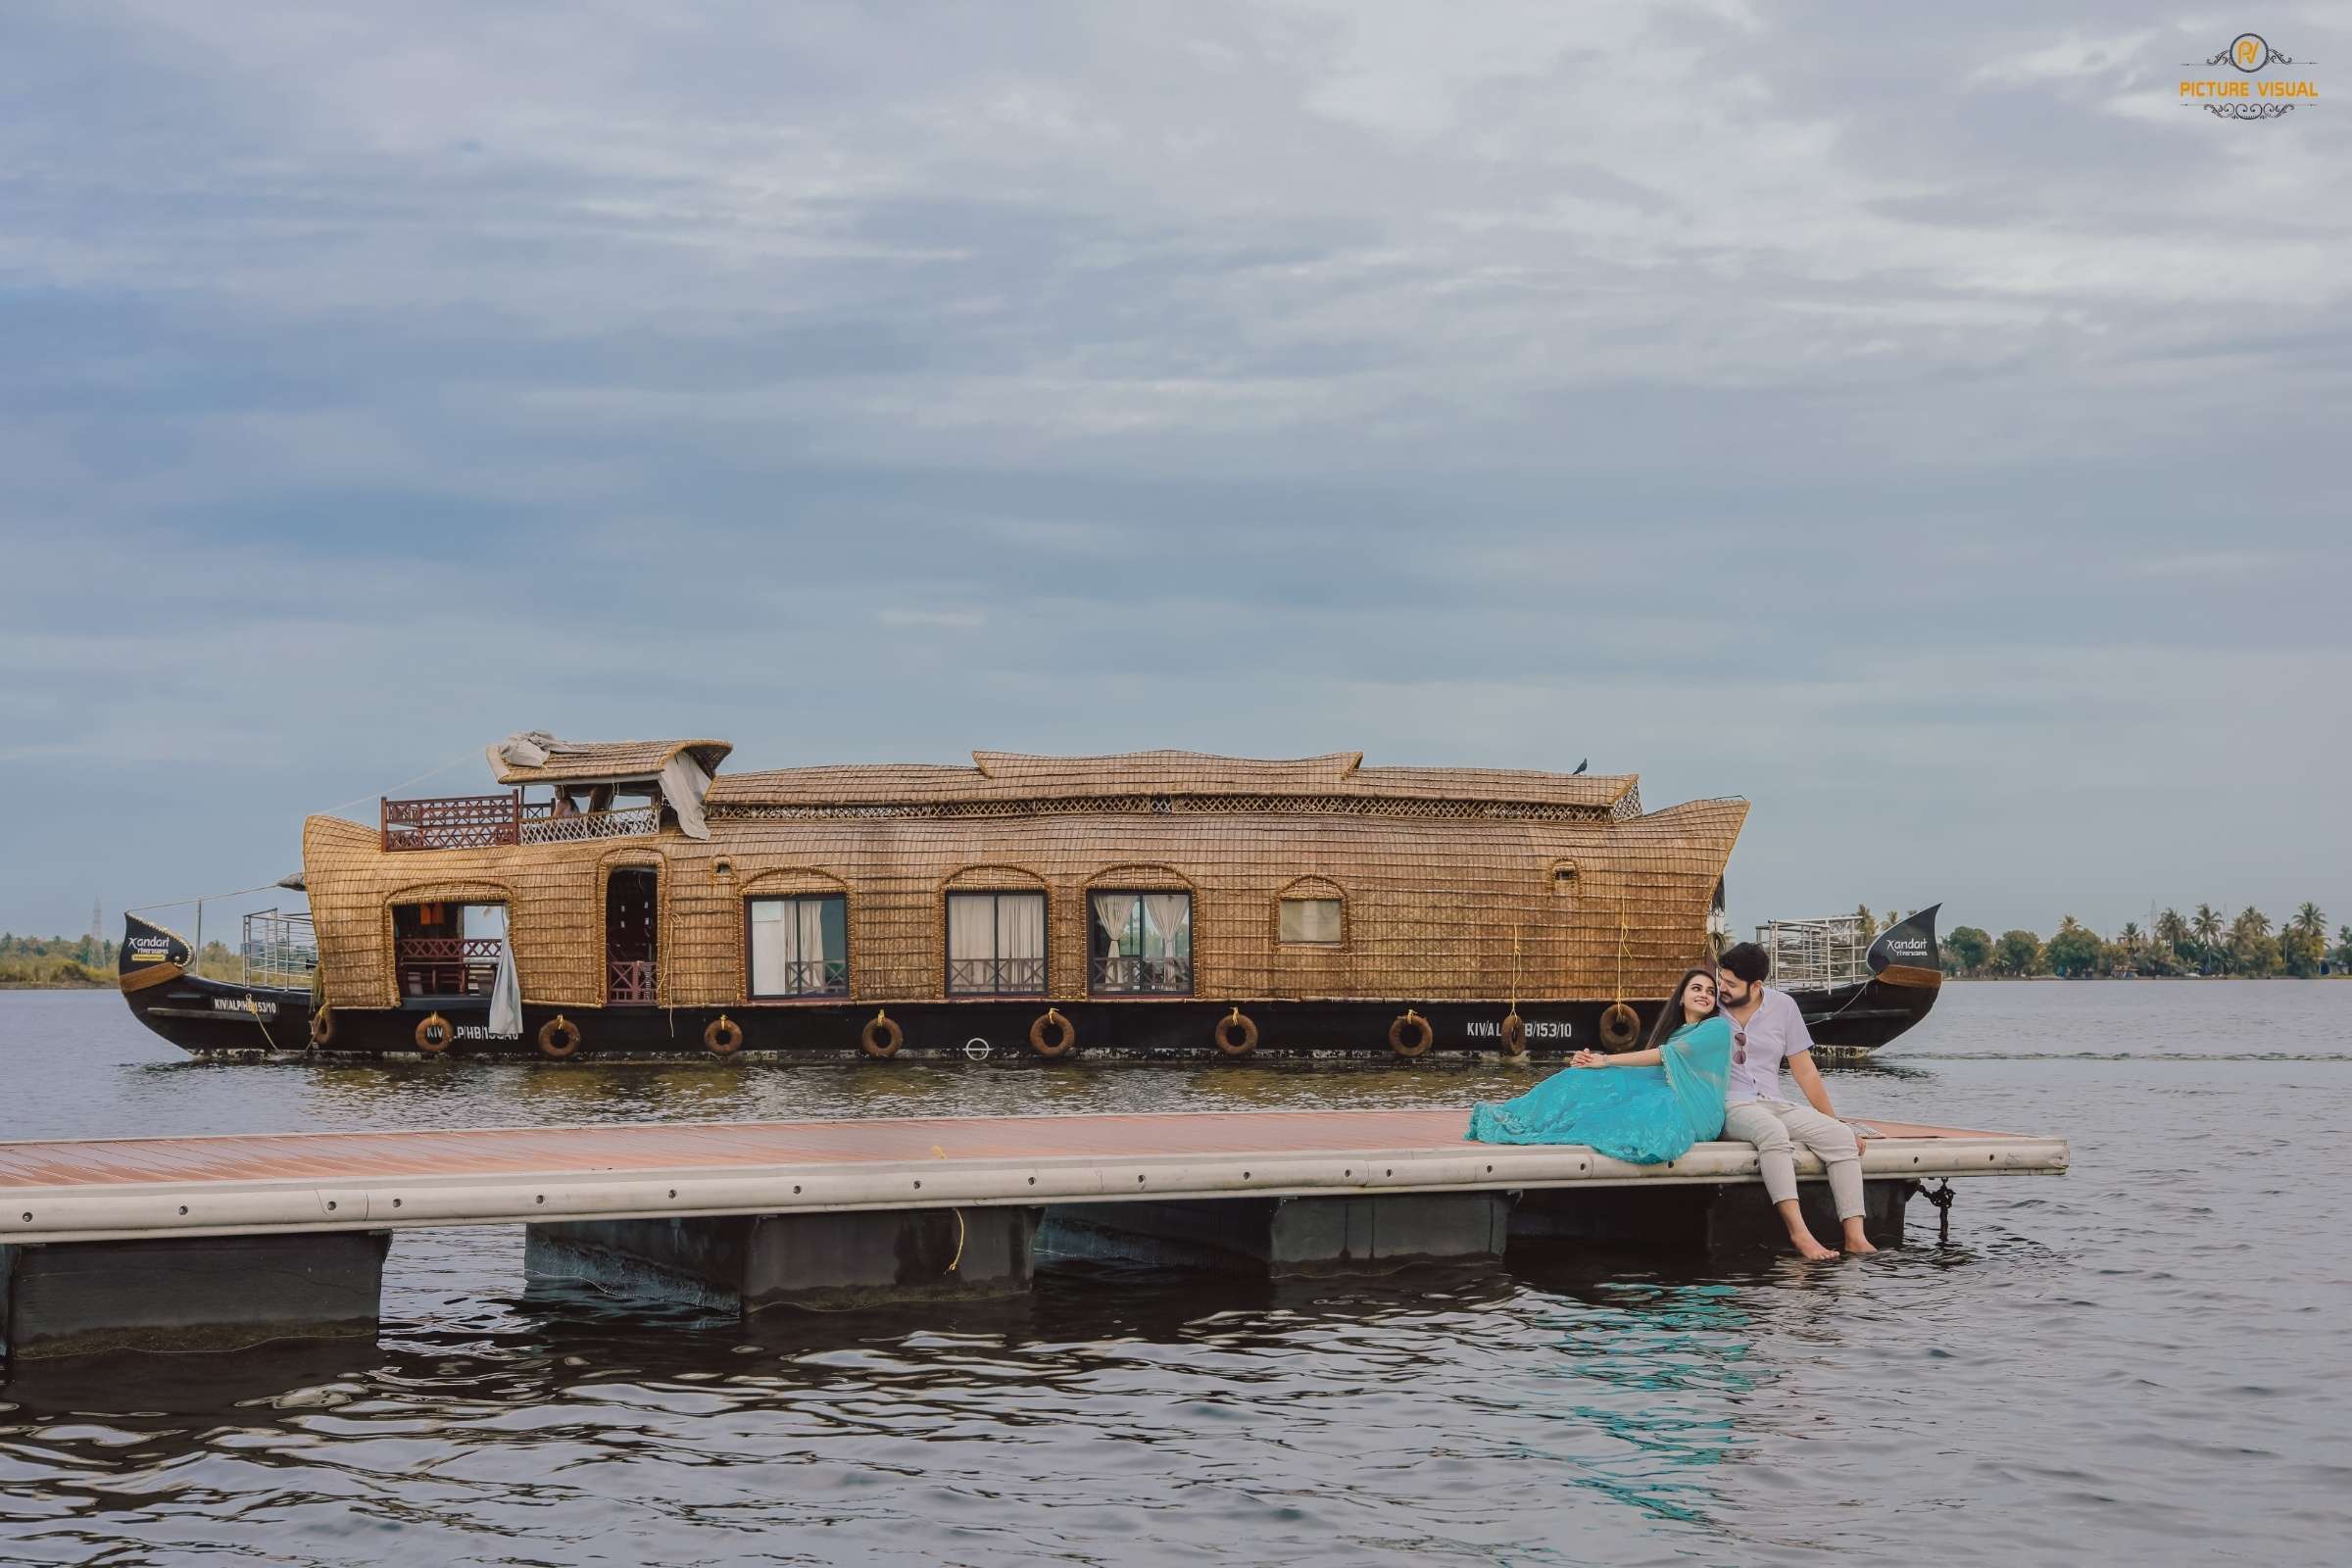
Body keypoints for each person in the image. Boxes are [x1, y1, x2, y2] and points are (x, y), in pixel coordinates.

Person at [1466, 968, 1732, 1163]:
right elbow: (1648, 1068)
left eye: (1710, 991)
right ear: (1681, 998)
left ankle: (1553, 1124)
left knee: (1629, 1111)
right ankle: (1522, 1120)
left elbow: (1662, 1056)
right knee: (1581, 1078)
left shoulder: (1717, 1028)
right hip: (1665, 1092)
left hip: (1694, 1111)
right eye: (1696, 988)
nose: (1704, 995)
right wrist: (1595, 1064)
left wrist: (1605, 1060)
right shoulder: (1675, 1033)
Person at [1713, 941, 1873, 1260]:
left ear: (1756, 985)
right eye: (1720, 979)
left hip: (1773, 1100)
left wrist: (1833, 1120)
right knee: (1773, 1133)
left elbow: (1805, 1070)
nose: (1722, 988)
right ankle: (1800, 1234)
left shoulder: (1783, 1006)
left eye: (1730, 983)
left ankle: (1855, 1237)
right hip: (1729, 1104)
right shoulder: (1710, 1005)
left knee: (1841, 1137)